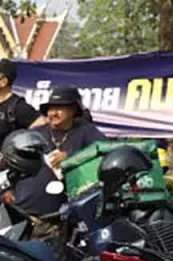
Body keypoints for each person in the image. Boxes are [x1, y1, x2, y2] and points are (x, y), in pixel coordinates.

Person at [8, 86, 106, 231]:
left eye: (59, 108)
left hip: (56, 218)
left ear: (73, 110)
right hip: (20, 213)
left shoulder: (86, 131)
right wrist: (7, 189)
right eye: (50, 108)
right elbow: (12, 164)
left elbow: (104, 151)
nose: (53, 113)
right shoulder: (35, 133)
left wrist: (71, 157)